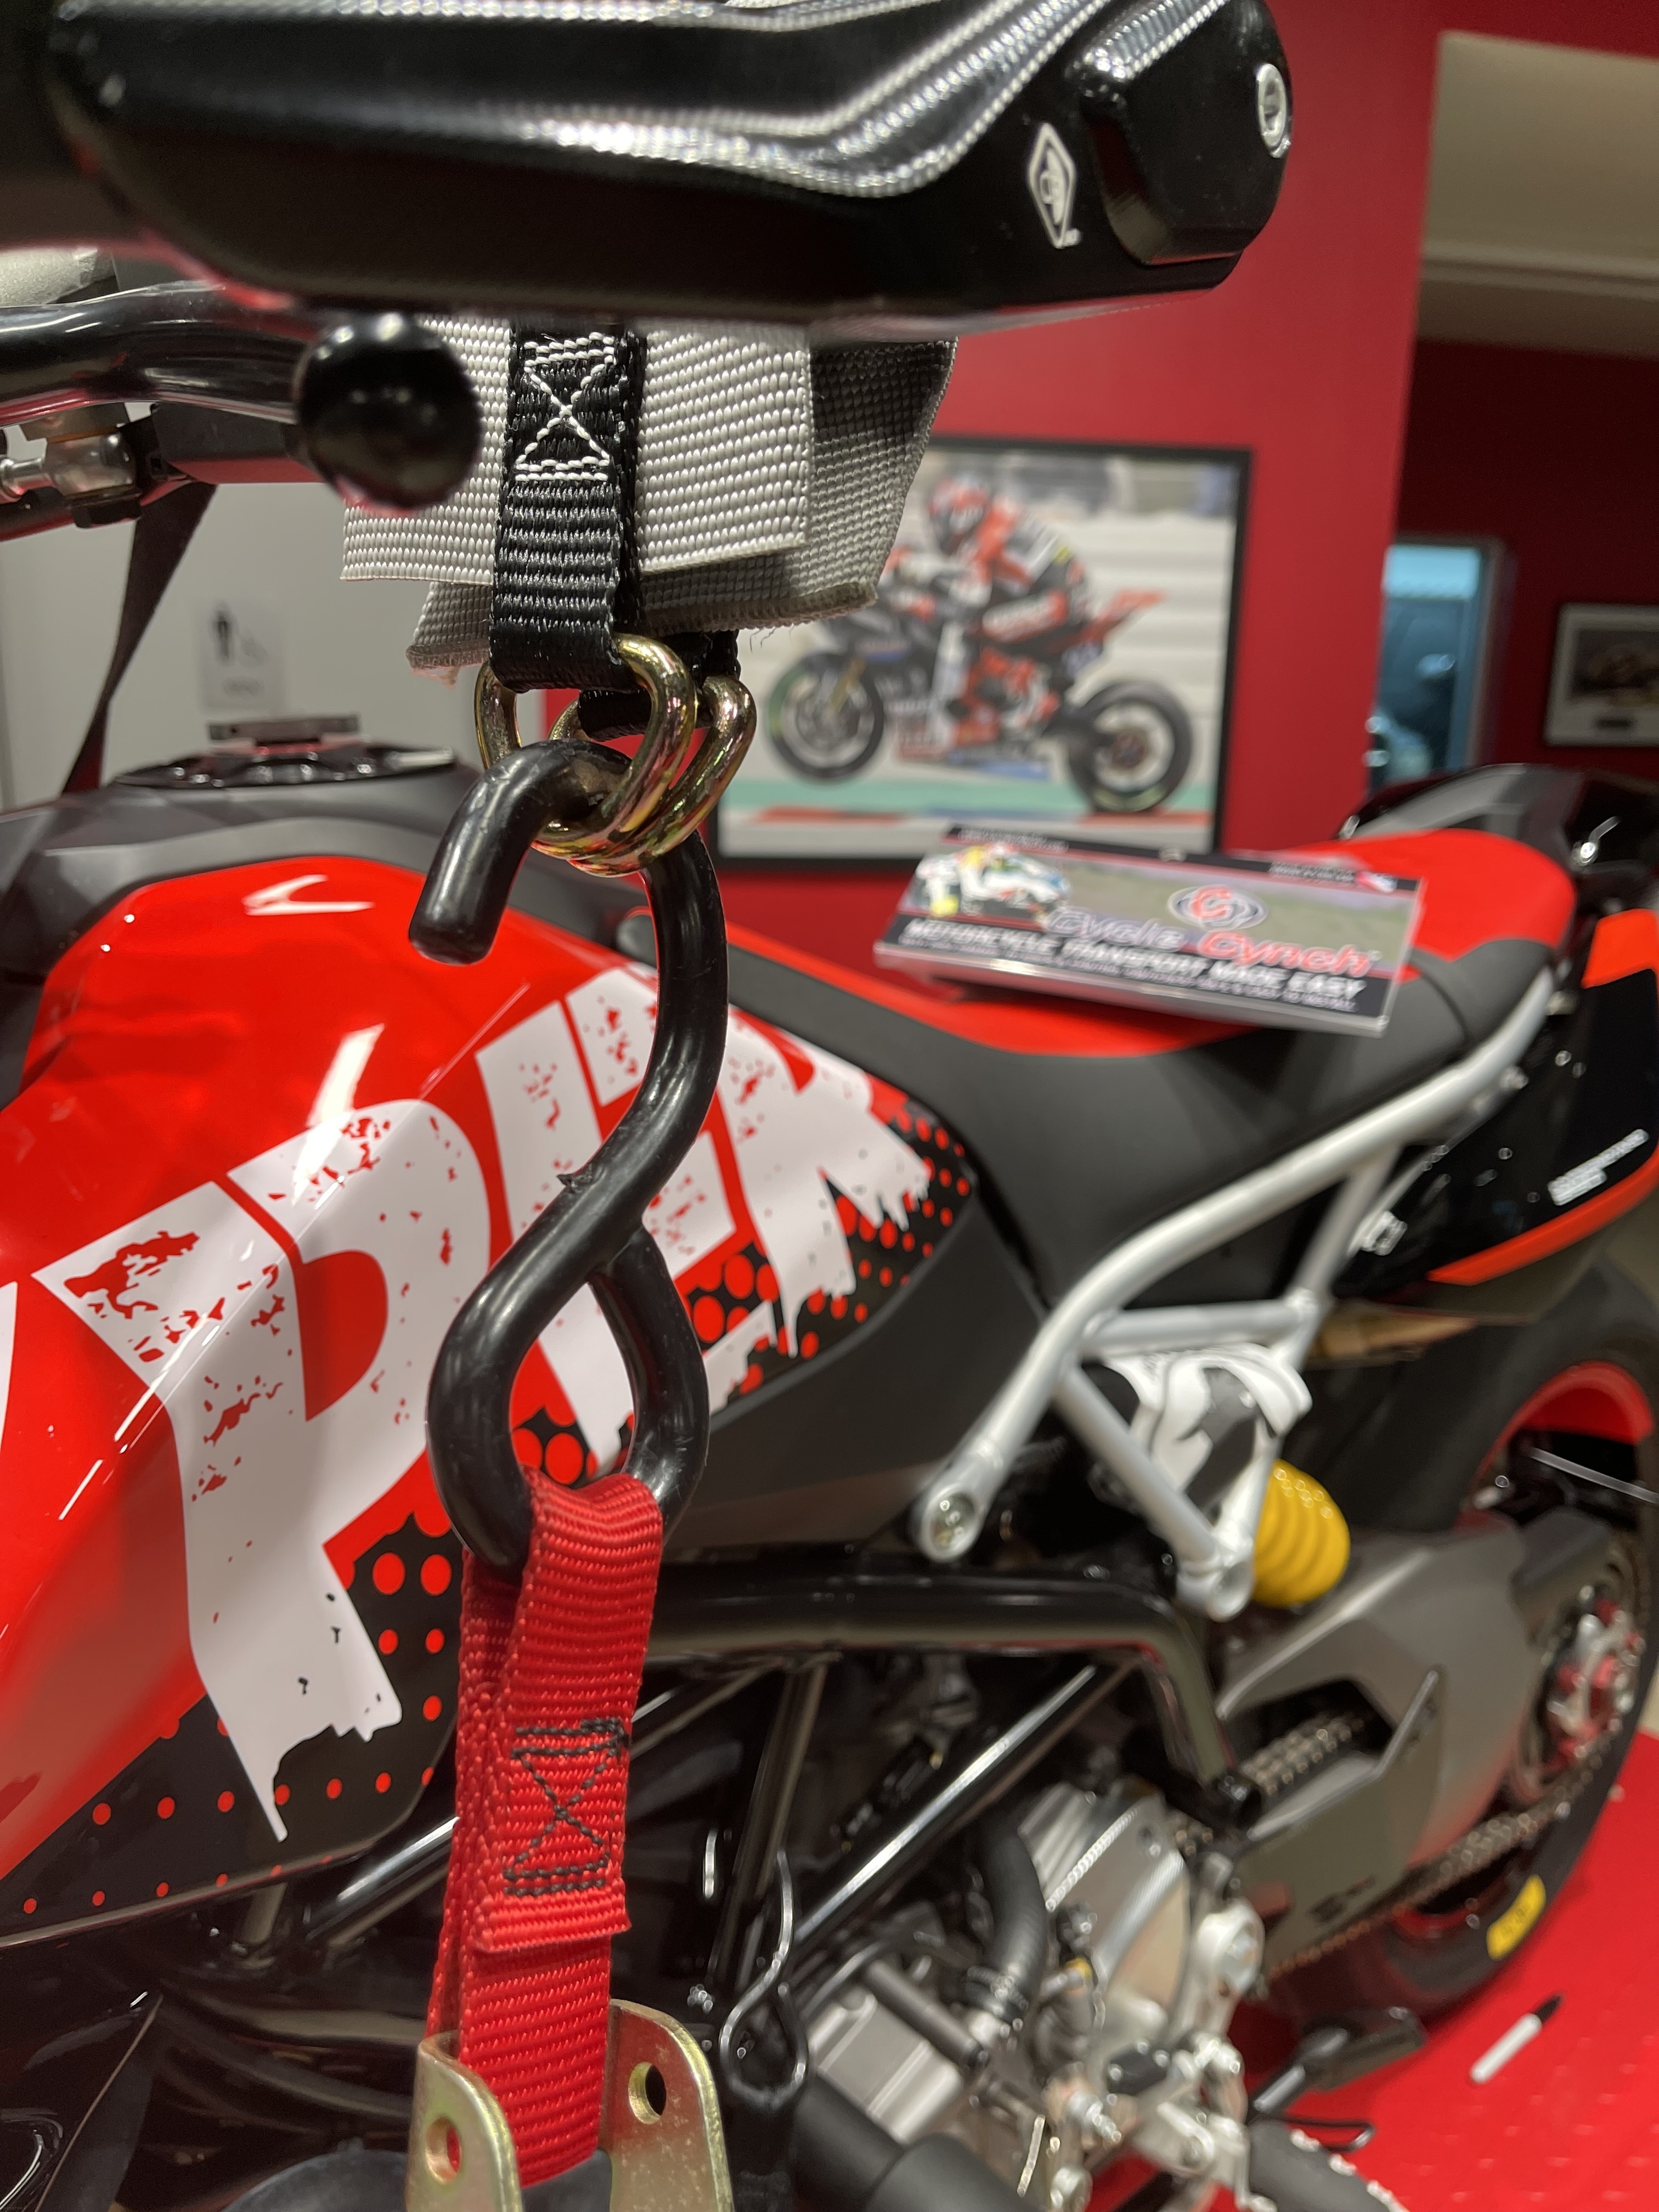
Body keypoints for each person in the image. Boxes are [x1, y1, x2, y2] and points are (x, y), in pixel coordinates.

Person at [885, 472, 1096, 751]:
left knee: (986, 626)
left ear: (961, 515)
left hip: (1059, 599)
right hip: (1046, 590)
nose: (938, 530)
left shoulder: (986, 536)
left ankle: (1027, 709)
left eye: (941, 521)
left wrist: (919, 603)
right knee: (980, 625)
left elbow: (968, 601)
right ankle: (999, 701)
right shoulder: (993, 516)